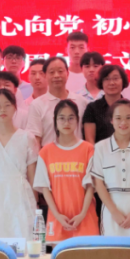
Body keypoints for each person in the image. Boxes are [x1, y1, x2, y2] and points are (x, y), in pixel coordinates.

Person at [86, 100, 130, 239]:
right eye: (118, 118)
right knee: (113, 250)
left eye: (128, 118)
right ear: (111, 120)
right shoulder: (101, 147)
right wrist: (114, 212)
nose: (123, 122)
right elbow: (98, 183)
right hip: (111, 210)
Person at [34, 99, 100, 244]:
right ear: (55, 121)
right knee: (57, 258)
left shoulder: (88, 149)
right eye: (62, 118)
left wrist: (82, 215)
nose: (66, 123)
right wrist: (57, 216)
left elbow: (91, 186)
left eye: (71, 118)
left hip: (85, 220)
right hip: (57, 222)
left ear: (77, 120)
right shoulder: (45, 152)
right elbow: (45, 189)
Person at [0, 90, 40, 239]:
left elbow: (32, 177)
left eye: (7, 105)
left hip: (20, 195)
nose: (2, 110)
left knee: (22, 238)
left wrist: (35, 206)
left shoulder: (27, 137)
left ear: (15, 108)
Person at [26, 58, 87, 147]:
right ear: (45, 75)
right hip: (48, 155)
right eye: (51, 72)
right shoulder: (36, 105)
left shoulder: (81, 102)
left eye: (60, 71)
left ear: (67, 74)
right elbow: (35, 140)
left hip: (78, 155)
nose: (56, 75)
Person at [83, 65, 130, 143]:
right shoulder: (92, 108)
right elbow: (90, 141)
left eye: (115, 78)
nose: (111, 83)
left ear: (123, 81)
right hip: (100, 150)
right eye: (107, 79)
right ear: (101, 82)